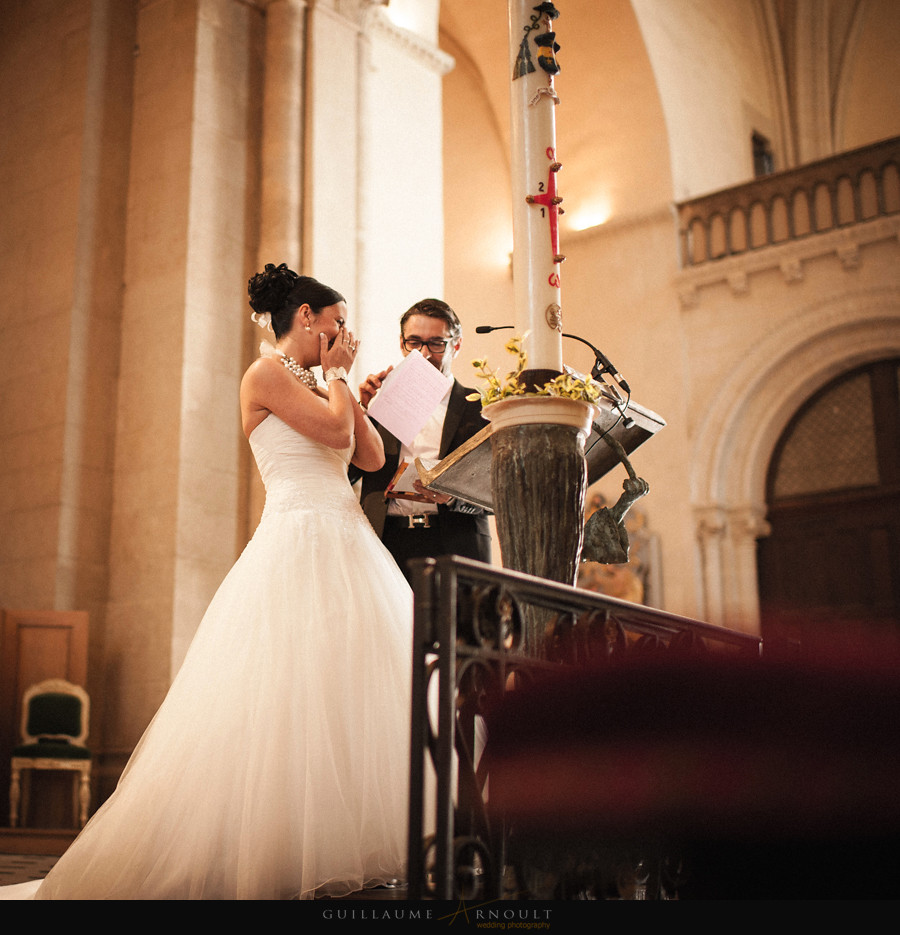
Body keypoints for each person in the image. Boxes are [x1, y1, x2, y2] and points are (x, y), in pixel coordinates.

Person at [6, 264, 414, 900]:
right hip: (296, 538)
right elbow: (334, 432)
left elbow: (371, 457)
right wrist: (339, 378)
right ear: (305, 318)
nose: (345, 335)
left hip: (347, 542)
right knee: (282, 693)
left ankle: (346, 848)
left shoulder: (322, 379)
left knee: (346, 686)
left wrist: (344, 384)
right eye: (337, 324)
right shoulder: (266, 374)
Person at [350, 299, 491, 581]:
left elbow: (497, 492)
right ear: (402, 344)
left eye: (436, 343)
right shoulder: (379, 399)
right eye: (414, 342)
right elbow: (346, 473)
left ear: (457, 345)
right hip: (386, 541)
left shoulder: (479, 407)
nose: (424, 354)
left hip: (455, 545)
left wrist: (453, 496)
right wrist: (361, 412)